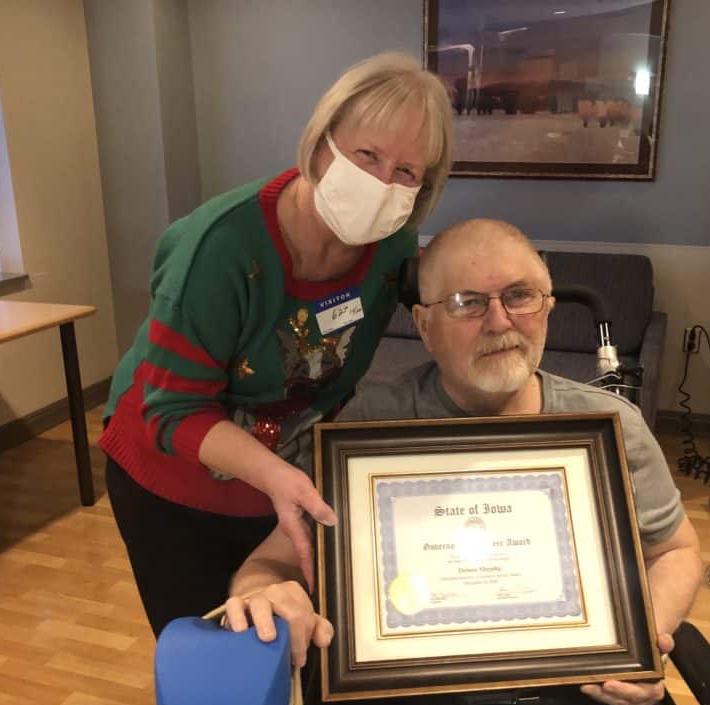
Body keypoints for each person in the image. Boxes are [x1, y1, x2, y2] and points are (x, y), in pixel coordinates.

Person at [225, 219, 703, 705]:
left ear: (547, 308)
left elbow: (676, 549)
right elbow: (273, 562)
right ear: (424, 325)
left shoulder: (611, 426)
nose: (500, 321)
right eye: (467, 302)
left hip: (585, 698)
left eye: (520, 295)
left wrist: (646, 638)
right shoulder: (370, 423)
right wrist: (264, 591)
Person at [100, 52, 454, 636]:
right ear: (321, 145)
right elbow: (173, 409)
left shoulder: (392, 246)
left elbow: (445, 308)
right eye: (367, 155)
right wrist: (275, 476)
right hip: (176, 477)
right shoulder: (221, 249)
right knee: (215, 651)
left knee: (299, 639)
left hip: (291, 470)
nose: (382, 183)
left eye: (407, 172)